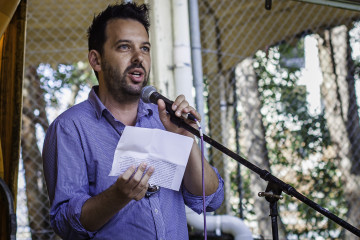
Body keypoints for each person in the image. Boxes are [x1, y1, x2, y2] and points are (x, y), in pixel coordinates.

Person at [42, 2, 224, 239]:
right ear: (96, 60)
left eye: (145, 48)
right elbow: (66, 224)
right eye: (125, 47)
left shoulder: (165, 119)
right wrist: (118, 195)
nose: (139, 57)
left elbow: (209, 200)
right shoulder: (69, 128)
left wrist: (186, 140)